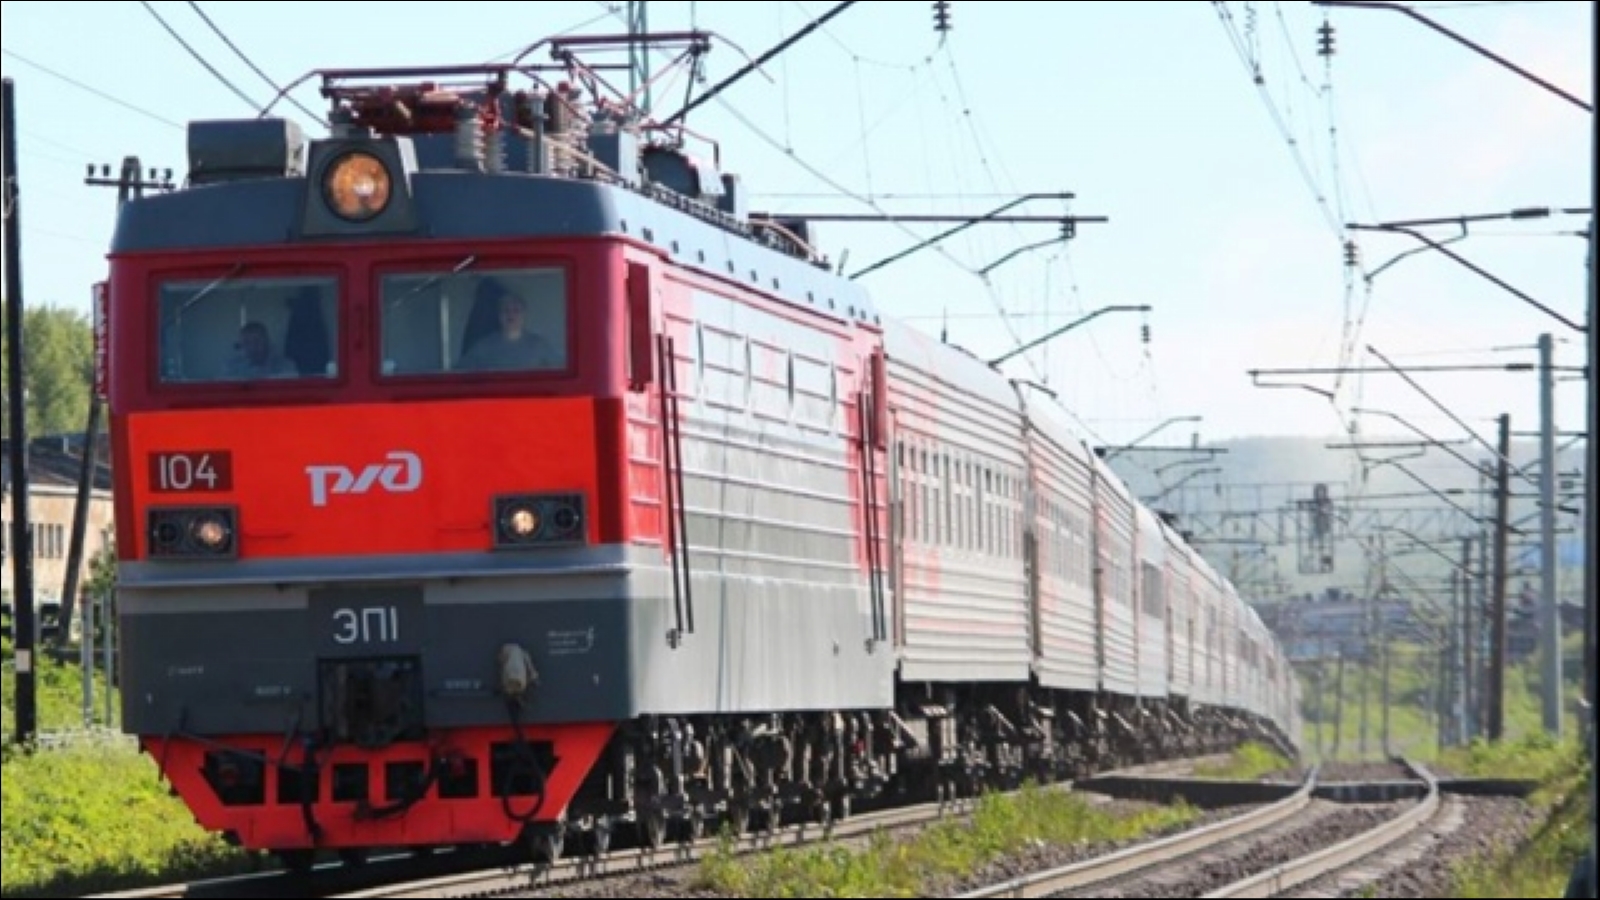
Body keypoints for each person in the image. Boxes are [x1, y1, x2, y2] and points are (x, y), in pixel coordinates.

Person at [459, 285, 556, 372]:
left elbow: (558, 372)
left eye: (516, 310)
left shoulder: (539, 345)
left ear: (524, 315)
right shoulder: (484, 346)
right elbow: (459, 371)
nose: (511, 315)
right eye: (505, 310)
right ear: (499, 315)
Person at [224, 321, 296, 378]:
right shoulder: (232, 368)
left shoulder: (286, 367)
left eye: (257, 341)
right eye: (247, 343)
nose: (252, 347)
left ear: (267, 342)